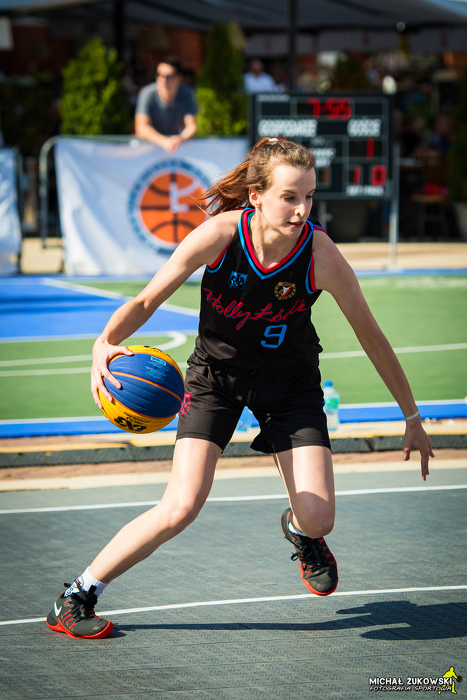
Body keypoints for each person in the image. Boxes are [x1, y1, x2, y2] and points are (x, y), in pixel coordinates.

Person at [46, 137, 433, 640]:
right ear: (256, 196)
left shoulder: (320, 254)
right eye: (289, 197)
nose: (302, 210)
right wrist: (105, 342)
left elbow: (373, 339)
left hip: (289, 385)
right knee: (180, 506)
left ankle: (301, 532)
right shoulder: (220, 236)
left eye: (309, 196)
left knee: (319, 518)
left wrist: (412, 417)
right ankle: (77, 595)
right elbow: (146, 300)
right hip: (215, 380)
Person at [134, 56, 198, 153]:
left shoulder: (187, 94)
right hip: (148, 148)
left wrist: (180, 139)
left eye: (168, 76)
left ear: (179, 78)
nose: (162, 79)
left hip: (174, 147)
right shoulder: (147, 93)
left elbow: (192, 126)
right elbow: (141, 127)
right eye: (158, 75)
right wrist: (164, 142)